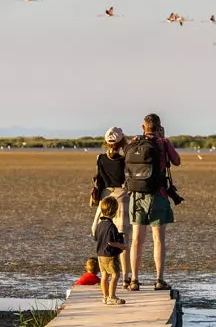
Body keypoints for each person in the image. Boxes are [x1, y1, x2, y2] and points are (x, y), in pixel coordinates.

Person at [126, 113, 181, 292]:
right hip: (158, 195)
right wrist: (164, 139)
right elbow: (177, 161)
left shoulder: (134, 141)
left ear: (143, 127)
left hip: (136, 196)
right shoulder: (163, 143)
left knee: (136, 241)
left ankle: (134, 280)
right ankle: (159, 279)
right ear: (159, 127)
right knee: (158, 239)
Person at [91, 126, 132, 289]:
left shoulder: (100, 158)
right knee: (123, 239)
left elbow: (99, 181)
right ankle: (126, 278)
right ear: (122, 141)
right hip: (122, 197)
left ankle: (106, 275)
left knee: (103, 235)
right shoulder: (124, 160)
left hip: (105, 198)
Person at [95, 196, 127, 305]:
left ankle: (105, 296)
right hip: (109, 255)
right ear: (114, 211)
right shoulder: (111, 226)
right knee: (115, 275)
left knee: (104, 276)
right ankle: (112, 296)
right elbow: (110, 242)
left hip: (100, 254)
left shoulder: (99, 225)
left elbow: (96, 238)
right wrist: (121, 246)